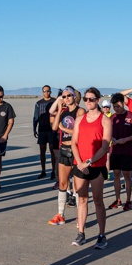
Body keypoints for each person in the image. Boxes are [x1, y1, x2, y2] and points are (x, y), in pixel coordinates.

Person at [70, 88, 113, 249]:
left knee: (98, 200)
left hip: (96, 166)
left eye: (92, 99)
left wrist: (88, 162)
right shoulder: (80, 119)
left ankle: (102, 235)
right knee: (81, 199)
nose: (88, 102)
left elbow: (104, 147)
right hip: (80, 166)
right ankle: (81, 232)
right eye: (86, 99)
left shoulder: (105, 120)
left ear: (98, 100)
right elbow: (74, 142)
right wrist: (80, 162)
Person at [48, 87, 84, 225]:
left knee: (78, 185)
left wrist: (63, 128)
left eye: (69, 96)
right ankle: (60, 214)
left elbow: (79, 131)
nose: (67, 98)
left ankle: (80, 216)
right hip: (64, 149)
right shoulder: (63, 111)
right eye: (64, 96)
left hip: (76, 150)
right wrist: (59, 106)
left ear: (74, 96)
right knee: (63, 183)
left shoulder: (80, 111)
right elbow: (54, 127)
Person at [109, 92, 132, 210]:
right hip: (115, 150)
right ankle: (118, 199)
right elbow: (107, 132)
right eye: (114, 107)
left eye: (118, 106)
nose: (116, 109)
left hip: (127, 151)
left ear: (123, 103)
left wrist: (125, 140)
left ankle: (128, 200)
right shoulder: (112, 118)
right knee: (116, 174)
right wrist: (112, 138)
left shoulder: (131, 116)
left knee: (127, 175)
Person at [33, 86, 58, 180]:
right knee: (42, 151)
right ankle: (43, 171)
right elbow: (35, 117)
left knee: (52, 151)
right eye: (44, 91)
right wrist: (34, 128)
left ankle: (53, 171)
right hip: (42, 130)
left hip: (52, 130)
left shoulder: (54, 101)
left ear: (50, 91)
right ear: (42, 92)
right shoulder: (38, 103)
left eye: (48, 91)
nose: (46, 92)